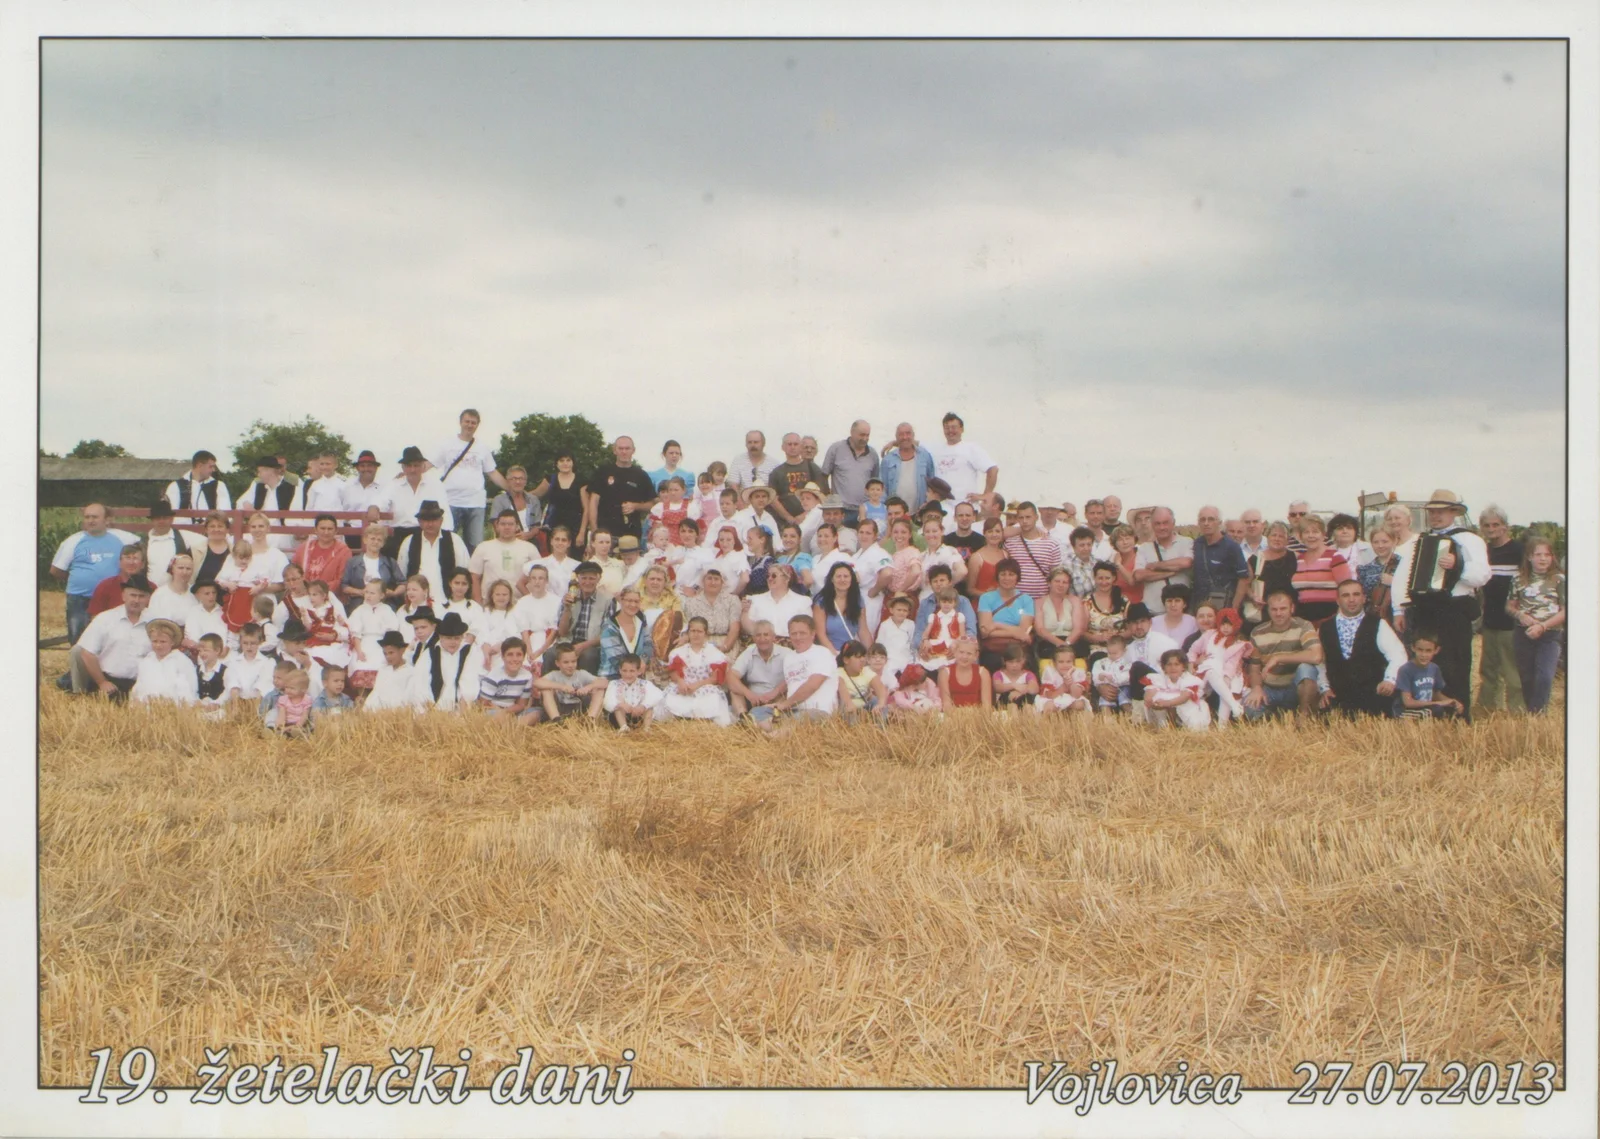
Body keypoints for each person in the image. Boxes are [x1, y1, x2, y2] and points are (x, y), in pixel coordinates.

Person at [1390, 489, 1491, 721]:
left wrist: (1458, 565)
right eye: (1432, 512)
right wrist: (1398, 609)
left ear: (1453, 513)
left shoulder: (1469, 540)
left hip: (1455, 610)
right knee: (1425, 666)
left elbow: (1482, 576)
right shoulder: (1419, 541)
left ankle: (1457, 717)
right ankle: (1429, 716)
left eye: (1441, 511)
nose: (1435, 516)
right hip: (1425, 610)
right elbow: (1403, 576)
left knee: (1455, 666)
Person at [50, 503, 139, 646]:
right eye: (87, 517)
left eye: (95, 517)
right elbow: (56, 570)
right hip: (80, 598)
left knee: (111, 639)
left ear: (107, 520)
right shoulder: (72, 541)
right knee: (79, 639)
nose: (90, 521)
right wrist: (79, 579)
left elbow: (138, 557)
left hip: (111, 597)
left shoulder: (125, 539)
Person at [1317, 579, 1406, 718]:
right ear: (1338, 601)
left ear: (1364, 598)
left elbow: (1398, 654)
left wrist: (1389, 680)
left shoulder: (1378, 624)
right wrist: (1324, 688)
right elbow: (1319, 663)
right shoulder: (1325, 628)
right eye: (1345, 595)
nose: (1351, 600)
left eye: (1356, 594)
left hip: (1371, 695)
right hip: (1337, 695)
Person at [431, 409, 507, 551]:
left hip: (475, 503)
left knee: (475, 546)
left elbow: (492, 472)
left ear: (477, 425)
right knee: (448, 544)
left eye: (473, 423)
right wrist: (406, 472)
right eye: (467, 421)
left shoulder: (482, 448)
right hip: (451, 502)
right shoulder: (447, 445)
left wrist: (511, 489)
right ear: (460, 422)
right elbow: (430, 464)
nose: (470, 425)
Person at [1506, 536, 1565, 715]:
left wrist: (1543, 626)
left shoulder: (1559, 579)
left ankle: (1539, 714)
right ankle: (1532, 714)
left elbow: (1565, 611)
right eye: (1538, 554)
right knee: (1527, 678)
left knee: (1544, 676)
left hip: (1550, 634)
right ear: (1529, 557)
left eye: (1547, 554)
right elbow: (1510, 605)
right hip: (1524, 634)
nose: (1543, 558)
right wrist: (1520, 615)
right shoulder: (1518, 579)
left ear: (1552, 557)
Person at [1475, 505, 1526, 713]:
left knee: (1512, 671)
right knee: (1488, 669)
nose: (1491, 529)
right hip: (1490, 619)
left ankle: (1517, 712)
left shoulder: (1519, 551)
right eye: (1487, 525)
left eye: (1496, 524)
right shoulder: (1483, 552)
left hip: (1511, 621)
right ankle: (1487, 710)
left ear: (1505, 526)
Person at [1243, 591, 1323, 721]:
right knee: (1249, 707)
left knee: (1307, 668)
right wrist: (1256, 688)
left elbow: (1316, 656)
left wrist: (1278, 658)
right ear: (1268, 610)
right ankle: (1277, 718)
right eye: (1274, 609)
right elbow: (1254, 668)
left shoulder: (1303, 626)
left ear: (1292, 608)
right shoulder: (1257, 633)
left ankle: (1304, 716)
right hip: (1270, 688)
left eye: (1283, 608)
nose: (1278, 613)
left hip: (1294, 688)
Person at [69, 573, 153, 697]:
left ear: (148, 598)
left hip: (142, 684)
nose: (136, 600)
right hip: (111, 682)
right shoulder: (105, 618)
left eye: (141, 596)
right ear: (123, 596)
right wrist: (102, 682)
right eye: (133, 595)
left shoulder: (155, 622)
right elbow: (87, 653)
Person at [370, 446, 454, 556]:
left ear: (423, 466)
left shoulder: (435, 485)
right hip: (399, 534)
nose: (412, 470)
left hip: (425, 534)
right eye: (409, 466)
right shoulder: (394, 485)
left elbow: (444, 511)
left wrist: (445, 536)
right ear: (403, 467)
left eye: (416, 465)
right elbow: (380, 501)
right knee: (387, 555)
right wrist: (374, 507)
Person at [655, 618, 733, 726]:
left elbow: (714, 678)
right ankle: (681, 719)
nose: (696, 635)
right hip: (684, 686)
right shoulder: (679, 652)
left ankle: (701, 720)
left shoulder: (714, 653)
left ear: (706, 634)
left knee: (713, 701)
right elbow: (673, 672)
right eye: (693, 631)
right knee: (671, 700)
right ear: (688, 633)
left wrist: (697, 685)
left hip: (704, 686)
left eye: (699, 631)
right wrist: (680, 681)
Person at [396, 501, 471, 603]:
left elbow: (464, 572)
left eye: (434, 519)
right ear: (419, 521)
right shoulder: (409, 541)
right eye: (426, 520)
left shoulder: (454, 540)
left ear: (441, 520)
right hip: (417, 603)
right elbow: (401, 575)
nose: (430, 524)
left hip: (447, 602)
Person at [1187, 607, 1252, 723]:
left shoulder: (1239, 643)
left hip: (1228, 671)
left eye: (1230, 624)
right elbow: (1193, 650)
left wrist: (1227, 677)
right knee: (1210, 671)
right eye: (1223, 624)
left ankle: (1223, 724)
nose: (1226, 628)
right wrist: (1192, 663)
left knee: (1226, 688)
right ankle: (1233, 704)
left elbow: (1233, 663)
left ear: (1236, 625)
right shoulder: (1210, 634)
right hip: (1208, 668)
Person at [768, 615, 838, 723]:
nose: (798, 637)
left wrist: (785, 704)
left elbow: (812, 685)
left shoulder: (822, 653)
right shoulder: (789, 657)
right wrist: (777, 704)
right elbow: (792, 685)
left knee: (794, 721)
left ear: (813, 634)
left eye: (802, 633)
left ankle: (777, 730)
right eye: (794, 633)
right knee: (759, 713)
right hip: (792, 710)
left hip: (817, 710)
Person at [409, 612, 481, 712]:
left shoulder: (468, 652)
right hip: (434, 708)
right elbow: (421, 682)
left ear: (462, 637)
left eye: (456, 638)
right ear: (441, 637)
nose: (453, 642)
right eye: (448, 638)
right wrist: (430, 709)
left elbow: (469, 680)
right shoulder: (430, 653)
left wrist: (463, 709)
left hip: (460, 708)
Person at [1290, 515, 1355, 626]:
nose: (1311, 536)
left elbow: (1347, 590)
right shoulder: (1298, 559)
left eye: (1315, 532)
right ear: (1301, 536)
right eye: (1306, 532)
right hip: (1304, 623)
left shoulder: (1335, 557)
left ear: (1323, 535)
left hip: (1330, 620)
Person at [929, 412, 998, 514]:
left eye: (954, 427)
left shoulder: (971, 448)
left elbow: (993, 469)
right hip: (943, 508)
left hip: (967, 509)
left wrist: (985, 496)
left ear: (962, 429)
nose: (950, 431)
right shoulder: (936, 450)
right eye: (947, 428)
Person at [347, 578, 402, 699]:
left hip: (381, 645)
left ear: (381, 595)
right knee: (359, 664)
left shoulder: (386, 610)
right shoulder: (360, 610)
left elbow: (391, 631)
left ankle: (377, 698)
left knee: (380, 663)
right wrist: (359, 651)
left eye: (372, 593)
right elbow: (356, 633)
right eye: (366, 592)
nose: (368, 595)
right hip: (364, 644)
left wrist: (387, 650)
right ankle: (362, 697)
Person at [976, 558, 1035, 672]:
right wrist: (1015, 633)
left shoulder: (1026, 599)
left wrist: (997, 625)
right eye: (1003, 574)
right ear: (997, 577)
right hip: (994, 649)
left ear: (1017, 577)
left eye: (1011, 574)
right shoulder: (986, 598)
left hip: (1018, 649)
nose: (1006, 578)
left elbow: (1024, 631)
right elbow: (985, 631)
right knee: (992, 661)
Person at [470, 509, 540, 603]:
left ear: (517, 526)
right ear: (497, 526)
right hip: (490, 604)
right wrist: (478, 603)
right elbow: (474, 577)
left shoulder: (530, 548)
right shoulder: (483, 547)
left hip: (521, 603)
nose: (507, 527)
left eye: (510, 524)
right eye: (503, 524)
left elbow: (539, 576)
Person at [1132, 507, 1194, 611]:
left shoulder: (1187, 542)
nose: (1162, 527)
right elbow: (1138, 575)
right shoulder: (1144, 548)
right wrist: (1172, 571)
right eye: (1157, 523)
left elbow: (1186, 562)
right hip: (1152, 610)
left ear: (1173, 523)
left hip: (1182, 612)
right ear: (1152, 525)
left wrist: (1155, 565)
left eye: (1165, 523)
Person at [553, 561, 610, 674]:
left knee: (588, 656)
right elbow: (562, 632)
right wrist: (567, 609)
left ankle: (586, 685)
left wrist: (583, 645)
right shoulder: (570, 597)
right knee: (551, 654)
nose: (587, 582)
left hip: (591, 644)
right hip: (568, 642)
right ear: (578, 579)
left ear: (598, 579)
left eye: (591, 578)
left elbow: (607, 634)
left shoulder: (607, 601)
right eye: (584, 578)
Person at [1190, 505, 1250, 612]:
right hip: (1200, 606)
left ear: (1219, 522)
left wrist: (1234, 609)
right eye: (1202, 520)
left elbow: (1243, 579)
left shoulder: (1231, 546)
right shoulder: (1197, 544)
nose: (1206, 523)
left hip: (1224, 605)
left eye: (1211, 519)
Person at [728, 620, 791, 720]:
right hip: (754, 699)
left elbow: (793, 677)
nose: (762, 639)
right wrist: (749, 694)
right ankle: (744, 718)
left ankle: (772, 717)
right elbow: (731, 677)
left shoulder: (786, 653)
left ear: (774, 637)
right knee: (735, 691)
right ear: (753, 638)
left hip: (778, 697)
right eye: (758, 635)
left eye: (766, 635)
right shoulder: (749, 652)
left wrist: (775, 693)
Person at [820, 420, 879, 527]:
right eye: (862, 435)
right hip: (841, 510)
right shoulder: (836, 449)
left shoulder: (873, 455)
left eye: (867, 435)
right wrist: (829, 500)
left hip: (864, 510)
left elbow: (874, 482)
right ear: (852, 432)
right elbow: (824, 475)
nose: (865, 438)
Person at [1243, 521, 1298, 633]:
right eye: (1274, 535)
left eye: (1281, 536)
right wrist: (1253, 597)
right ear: (1267, 537)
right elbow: (1245, 584)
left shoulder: (1294, 557)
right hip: (1263, 612)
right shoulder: (1255, 560)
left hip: (1290, 613)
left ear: (1287, 540)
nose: (1277, 539)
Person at [128, 618, 196, 706]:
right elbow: (139, 687)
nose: (158, 645)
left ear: (172, 642)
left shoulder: (181, 661)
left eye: (163, 642)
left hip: (171, 709)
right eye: (155, 641)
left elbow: (189, 691)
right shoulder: (146, 662)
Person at [1394, 634, 1463, 720]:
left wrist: (1452, 702)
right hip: (1406, 710)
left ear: (1436, 650)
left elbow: (1435, 694)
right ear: (1413, 648)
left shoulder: (1434, 668)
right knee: (1434, 711)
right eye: (1420, 650)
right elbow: (1408, 702)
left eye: (1428, 651)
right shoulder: (1405, 670)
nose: (1423, 655)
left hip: (1426, 708)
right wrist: (1438, 703)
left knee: (1446, 711)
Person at [239, 456, 299, 551]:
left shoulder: (291, 488)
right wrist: (248, 505)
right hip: (259, 529)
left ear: (269, 471)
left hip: (280, 531)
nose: (258, 475)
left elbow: (295, 515)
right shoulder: (258, 486)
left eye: (260, 471)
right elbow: (241, 502)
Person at [768, 432, 830, 524]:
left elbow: (822, 495)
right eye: (789, 444)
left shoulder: (812, 468)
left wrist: (805, 515)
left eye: (796, 444)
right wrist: (788, 517)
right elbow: (773, 499)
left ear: (801, 446)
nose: (792, 447)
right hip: (785, 523)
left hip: (811, 520)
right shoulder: (776, 472)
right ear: (783, 447)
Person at [812, 562, 871, 656]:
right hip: (829, 653)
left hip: (850, 654)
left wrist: (870, 654)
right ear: (832, 579)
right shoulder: (821, 601)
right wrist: (836, 656)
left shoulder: (858, 600)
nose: (842, 579)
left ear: (851, 579)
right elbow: (820, 634)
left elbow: (863, 631)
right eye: (838, 576)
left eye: (846, 576)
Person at [340, 524, 405, 608]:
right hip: (359, 604)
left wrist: (394, 593)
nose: (376, 542)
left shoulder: (390, 562)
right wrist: (360, 592)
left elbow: (403, 583)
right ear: (365, 540)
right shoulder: (352, 562)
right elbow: (344, 586)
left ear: (383, 543)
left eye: (379, 540)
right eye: (372, 539)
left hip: (385, 604)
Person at [141, 501, 204, 588]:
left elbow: (210, 542)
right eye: (157, 518)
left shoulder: (184, 536)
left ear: (171, 519)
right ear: (152, 520)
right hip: (150, 591)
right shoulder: (144, 543)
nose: (161, 521)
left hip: (177, 591)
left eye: (165, 518)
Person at [1145, 649, 1211, 732]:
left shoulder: (1188, 679)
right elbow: (1151, 690)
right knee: (1157, 699)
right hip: (1168, 707)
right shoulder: (1160, 678)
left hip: (1188, 707)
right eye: (1169, 664)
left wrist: (1167, 703)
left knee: (1194, 725)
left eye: (1177, 664)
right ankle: (1166, 726)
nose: (1173, 668)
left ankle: (1179, 726)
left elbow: (1185, 697)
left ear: (1183, 667)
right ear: (1164, 667)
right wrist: (1150, 700)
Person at [683, 567, 742, 656]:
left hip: (727, 643)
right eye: (709, 578)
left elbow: (734, 628)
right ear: (703, 581)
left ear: (722, 582)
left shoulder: (732, 600)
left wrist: (725, 647)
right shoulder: (691, 602)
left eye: (716, 579)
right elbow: (689, 629)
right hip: (700, 643)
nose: (713, 582)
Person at [598, 587, 655, 679]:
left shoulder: (641, 619)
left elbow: (648, 643)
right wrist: (637, 668)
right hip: (613, 675)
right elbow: (616, 660)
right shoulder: (609, 627)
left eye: (636, 601)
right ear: (621, 601)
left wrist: (643, 660)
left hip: (637, 673)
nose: (633, 604)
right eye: (629, 601)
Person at [878, 422, 936, 513]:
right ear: (896, 437)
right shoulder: (888, 459)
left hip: (920, 511)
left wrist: (929, 504)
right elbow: (882, 488)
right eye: (901, 434)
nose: (905, 437)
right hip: (896, 514)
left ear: (913, 435)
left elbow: (932, 483)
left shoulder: (924, 455)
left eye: (908, 433)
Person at [477, 637, 539, 722]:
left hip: (512, 711)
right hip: (493, 710)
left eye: (519, 655)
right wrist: (501, 712)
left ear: (524, 657)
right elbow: (483, 704)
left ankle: (515, 724)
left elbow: (521, 705)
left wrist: (506, 712)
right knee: (494, 716)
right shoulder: (494, 676)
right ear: (503, 657)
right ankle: (513, 724)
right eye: (510, 655)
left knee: (537, 712)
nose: (515, 659)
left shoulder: (527, 676)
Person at [743, 562, 810, 639]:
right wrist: (744, 612)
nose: (770, 578)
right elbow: (749, 629)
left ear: (787, 579)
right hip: (763, 642)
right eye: (768, 576)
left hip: (791, 643)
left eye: (774, 575)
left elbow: (807, 628)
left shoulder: (802, 601)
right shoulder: (755, 600)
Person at [916, 580, 972, 672]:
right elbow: (926, 633)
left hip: (952, 644)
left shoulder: (959, 616)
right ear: (939, 602)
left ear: (955, 603)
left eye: (950, 602)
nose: (946, 604)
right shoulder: (933, 617)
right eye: (944, 601)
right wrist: (925, 641)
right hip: (936, 644)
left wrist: (956, 643)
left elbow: (962, 635)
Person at [511, 565, 562, 665]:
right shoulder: (523, 602)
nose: (537, 582)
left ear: (546, 581)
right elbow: (524, 630)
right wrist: (529, 651)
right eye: (533, 578)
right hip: (528, 642)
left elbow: (554, 630)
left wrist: (539, 652)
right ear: (529, 580)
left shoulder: (556, 601)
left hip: (549, 642)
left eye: (541, 578)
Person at [1033, 567, 1086, 662]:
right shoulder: (1039, 602)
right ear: (1049, 583)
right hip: (1048, 643)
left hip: (1071, 642)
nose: (1061, 585)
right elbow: (1040, 629)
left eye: (1064, 582)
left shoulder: (1075, 601)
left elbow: (1078, 629)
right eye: (1057, 581)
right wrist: (1060, 645)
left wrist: (1067, 644)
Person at [292, 514, 353, 593]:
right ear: (315, 530)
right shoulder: (304, 548)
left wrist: (317, 591)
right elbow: (294, 571)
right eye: (322, 528)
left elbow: (341, 580)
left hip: (330, 594)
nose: (326, 532)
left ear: (336, 531)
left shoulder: (344, 551)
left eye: (330, 529)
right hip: (304, 593)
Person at [536, 452, 588, 544]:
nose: (565, 463)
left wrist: (582, 533)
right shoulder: (550, 479)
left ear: (573, 462)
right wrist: (515, 491)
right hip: (553, 528)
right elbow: (535, 494)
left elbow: (586, 509)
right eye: (561, 460)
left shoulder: (581, 480)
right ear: (556, 463)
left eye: (568, 460)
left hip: (575, 529)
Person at [164, 449, 232, 519]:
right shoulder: (175, 486)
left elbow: (224, 514)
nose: (213, 470)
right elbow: (170, 514)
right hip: (183, 526)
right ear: (200, 466)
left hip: (210, 526)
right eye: (210, 466)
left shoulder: (219, 486)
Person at [604, 653, 664, 730]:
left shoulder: (645, 683)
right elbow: (607, 702)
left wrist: (643, 706)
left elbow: (658, 695)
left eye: (632, 671)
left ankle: (646, 729)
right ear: (620, 670)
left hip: (639, 716)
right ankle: (624, 728)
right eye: (624, 671)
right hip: (620, 718)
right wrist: (621, 705)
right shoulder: (614, 684)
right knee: (618, 709)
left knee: (649, 708)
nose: (628, 674)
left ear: (638, 671)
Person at [88, 544, 149, 618]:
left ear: (142, 564)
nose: (131, 562)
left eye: (135, 558)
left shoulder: (151, 588)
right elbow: (95, 617)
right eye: (128, 558)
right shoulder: (105, 586)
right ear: (120, 562)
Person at [1082, 562, 1127, 659]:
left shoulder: (1123, 601)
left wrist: (1117, 637)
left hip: (1121, 650)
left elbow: (1130, 629)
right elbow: (1082, 632)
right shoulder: (1087, 602)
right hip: (1097, 651)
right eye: (1100, 578)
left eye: (1107, 578)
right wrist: (1098, 638)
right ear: (1094, 578)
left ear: (1113, 578)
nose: (1104, 582)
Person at [362, 631, 417, 712]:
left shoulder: (410, 672)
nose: (388, 656)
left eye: (391, 653)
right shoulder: (383, 671)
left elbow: (409, 696)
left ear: (402, 650)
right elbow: (376, 693)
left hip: (399, 712)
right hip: (380, 712)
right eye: (385, 653)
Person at [834, 640, 887, 721]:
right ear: (846, 660)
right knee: (848, 711)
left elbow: (881, 689)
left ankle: (880, 726)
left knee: (877, 702)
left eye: (863, 656)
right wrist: (855, 711)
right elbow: (846, 699)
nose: (862, 660)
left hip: (865, 707)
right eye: (858, 657)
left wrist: (881, 704)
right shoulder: (839, 673)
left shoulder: (866, 671)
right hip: (849, 709)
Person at [523, 525, 580, 598]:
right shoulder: (540, 563)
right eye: (557, 539)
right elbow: (520, 584)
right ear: (551, 541)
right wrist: (534, 600)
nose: (560, 543)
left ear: (569, 543)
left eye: (564, 540)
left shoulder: (577, 565)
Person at [488, 466, 543, 542]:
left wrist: (528, 535)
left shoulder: (533, 500)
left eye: (521, 479)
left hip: (529, 541)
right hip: (506, 541)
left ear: (525, 481)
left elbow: (537, 526)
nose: (518, 482)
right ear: (508, 481)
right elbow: (496, 525)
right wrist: (512, 537)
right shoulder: (499, 500)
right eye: (514, 479)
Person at [938, 637, 992, 710]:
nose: (964, 656)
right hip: (953, 715)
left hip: (977, 714)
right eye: (961, 652)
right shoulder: (945, 673)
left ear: (976, 655)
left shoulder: (983, 673)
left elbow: (987, 704)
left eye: (969, 653)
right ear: (954, 652)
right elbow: (946, 703)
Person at [1036, 645, 1090, 715]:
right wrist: (1064, 685)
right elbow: (1050, 696)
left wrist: (1071, 683)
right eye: (1061, 662)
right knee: (1050, 706)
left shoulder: (1078, 672)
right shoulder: (1049, 672)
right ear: (1054, 663)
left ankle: (1069, 717)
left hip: (1071, 698)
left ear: (1073, 663)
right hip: (1054, 698)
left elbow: (1077, 696)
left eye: (1068, 662)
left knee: (1079, 704)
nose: (1065, 665)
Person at [966, 517, 1008, 599]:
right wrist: (987, 594)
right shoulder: (976, 557)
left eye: (997, 531)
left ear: (1002, 533)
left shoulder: (1005, 554)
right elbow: (970, 590)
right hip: (983, 603)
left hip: (1002, 603)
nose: (994, 534)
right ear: (984, 533)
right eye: (990, 531)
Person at [1092, 634, 1133, 715]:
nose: (1111, 656)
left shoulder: (1127, 663)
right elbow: (1095, 675)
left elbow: (1127, 676)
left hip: (1123, 686)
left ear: (1124, 651)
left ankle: (1131, 718)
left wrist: (1114, 679)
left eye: (1115, 653)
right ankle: (1108, 720)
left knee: (1124, 700)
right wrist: (1100, 678)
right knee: (1104, 703)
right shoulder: (1102, 662)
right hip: (1107, 686)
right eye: (1109, 653)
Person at [342, 451, 389, 521]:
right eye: (362, 466)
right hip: (351, 527)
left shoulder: (385, 487)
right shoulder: (347, 487)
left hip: (376, 527)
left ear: (375, 468)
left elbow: (387, 506)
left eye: (369, 466)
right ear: (357, 468)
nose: (366, 469)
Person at [192, 512, 235, 589]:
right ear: (206, 529)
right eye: (212, 526)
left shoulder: (235, 551)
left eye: (220, 526)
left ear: (227, 529)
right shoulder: (195, 550)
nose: (216, 529)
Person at [992, 643, 1039, 710]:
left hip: (1023, 704)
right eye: (1011, 662)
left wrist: (1019, 692)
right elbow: (997, 687)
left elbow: (1034, 689)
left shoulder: (1028, 675)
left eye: (1018, 661)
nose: (1014, 665)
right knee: (1012, 707)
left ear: (1023, 660)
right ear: (1004, 661)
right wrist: (1014, 685)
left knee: (1028, 707)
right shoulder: (998, 674)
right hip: (1004, 706)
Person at [775, 523, 816, 596]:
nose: (788, 539)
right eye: (785, 536)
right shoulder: (780, 558)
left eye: (792, 536)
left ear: (799, 539)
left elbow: (808, 580)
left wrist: (795, 595)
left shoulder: (802, 557)